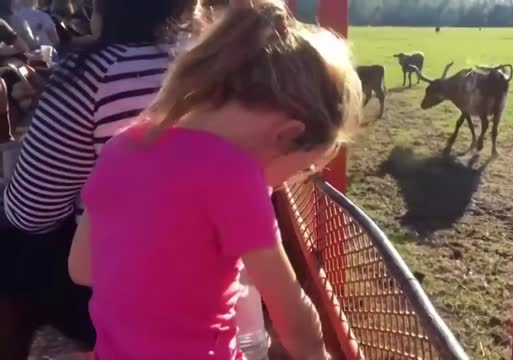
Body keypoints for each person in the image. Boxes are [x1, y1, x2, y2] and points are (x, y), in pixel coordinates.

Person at [68, 2, 362, 360]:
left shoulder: (121, 146)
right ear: (287, 135)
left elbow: (81, 269)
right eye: (303, 169)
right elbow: (293, 318)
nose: (283, 186)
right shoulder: (232, 172)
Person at [0, 0, 194, 358]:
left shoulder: (92, 70)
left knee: (9, 244)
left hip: (126, 298)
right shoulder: (216, 64)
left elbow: (31, 213)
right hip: (213, 292)